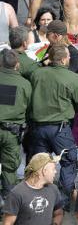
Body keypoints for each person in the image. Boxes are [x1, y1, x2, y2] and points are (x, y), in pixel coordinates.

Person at [28, 43, 78, 202]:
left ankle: (38, 199)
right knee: (68, 162)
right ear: (63, 60)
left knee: (40, 164)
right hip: (60, 130)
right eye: (68, 56)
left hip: (38, 128)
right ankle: (63, 203)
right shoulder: (73, 78)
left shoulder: (36, 74)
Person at [0, 50, 30, 202]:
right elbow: (30, 109)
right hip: (12, 133)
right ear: (17, 65)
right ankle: (7, 204)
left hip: (11, 131)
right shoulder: (24, 84)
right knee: (10, 168)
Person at [3, 153, 63, 224]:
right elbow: (8, 223)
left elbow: (59, 213)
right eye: (53, 169)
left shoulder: (53, 189)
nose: (55, 172)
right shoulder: (17, 193)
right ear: (44, 171)